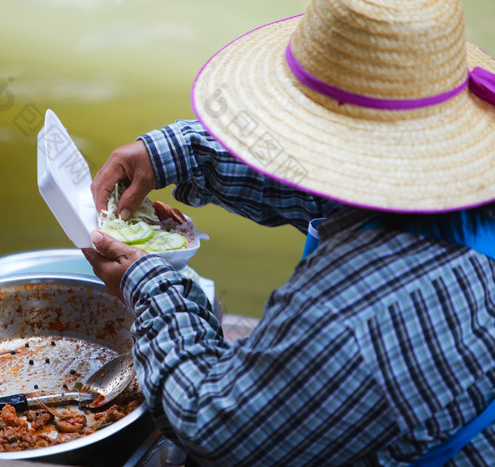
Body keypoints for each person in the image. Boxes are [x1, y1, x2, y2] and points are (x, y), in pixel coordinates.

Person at [81, 0, 495, 465]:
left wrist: (151, 286)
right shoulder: (439, 183)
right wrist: (181, 154)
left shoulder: (350, 314)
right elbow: (318, 186)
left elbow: (211, 421)